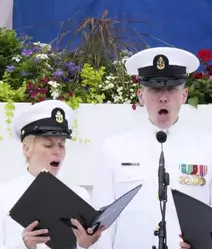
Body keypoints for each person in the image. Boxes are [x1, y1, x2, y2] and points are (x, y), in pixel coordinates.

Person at [90, 47, 212, 249]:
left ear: (184, 95)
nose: (163, 97)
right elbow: (101, 225)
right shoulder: (115, 148)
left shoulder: (207, 147)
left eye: (172, 89)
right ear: (141, 96)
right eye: (155, 89)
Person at [0, 100, 105, 249]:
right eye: (48, 145)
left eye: (61, 145)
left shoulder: (80, 195)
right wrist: (24, 246)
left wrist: (84, 245)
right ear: (27, 149)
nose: (57, 151)